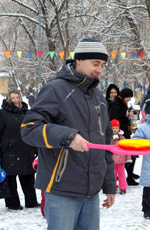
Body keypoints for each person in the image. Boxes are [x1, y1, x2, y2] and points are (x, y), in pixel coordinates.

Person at [21, 38, 116, 230]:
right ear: (79, 60)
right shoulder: (56, 89)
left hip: (91, 192)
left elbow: (106, 145)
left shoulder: (98, 96)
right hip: (61, 189)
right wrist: (67, 136)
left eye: (103, 65)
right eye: (95, 63)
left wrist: (109, 185)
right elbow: (29, 128)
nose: (99, 69)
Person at [0, 90, 39, 210]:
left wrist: (35, 147)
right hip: (8, 150)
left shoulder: (26, 112)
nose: (16, 100)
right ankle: (13, 203)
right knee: (11, 178)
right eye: (13, 98)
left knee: (28, 176)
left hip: (26, 148)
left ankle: (31, 201)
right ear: (8, 99)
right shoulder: (2, 113)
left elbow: (32, 129)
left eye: (17, 97)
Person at [109, 88, 139, 185]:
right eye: (129, 97)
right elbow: (115, 120)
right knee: (127, 155)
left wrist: (128, 116)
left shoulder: (122, 104)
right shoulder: (116, 105)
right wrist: (126, 117)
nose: (130, 99)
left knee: (130, 155)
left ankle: (130, 175)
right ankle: (128, 176)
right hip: (119, 135)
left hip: (124, 133)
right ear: (124, 96)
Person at [110, 119, 132, 195]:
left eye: (116, 128)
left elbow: (127, 149)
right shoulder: (109, 138)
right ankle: (113, 187)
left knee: (122, 175)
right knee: (112, 176)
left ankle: (123, 188)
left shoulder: (122, 138)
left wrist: (128, 158)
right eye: (113, 128)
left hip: (121, 160)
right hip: (112, 161)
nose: (115, 130)